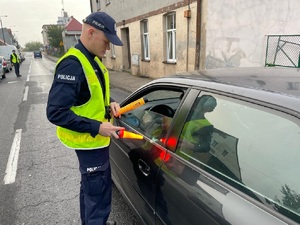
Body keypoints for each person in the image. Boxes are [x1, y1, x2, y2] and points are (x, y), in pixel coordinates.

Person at [46, 12, 125, 225]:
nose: (108, 48)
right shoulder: (72, 64)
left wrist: (110, 102)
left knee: (91, 193)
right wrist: (98, 127)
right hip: (89, 143)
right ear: (91, 32)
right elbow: (55, 112)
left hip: (95, 143)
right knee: (98, 198)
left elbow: (92, 92)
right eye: (107, 42)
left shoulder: (92, 59)